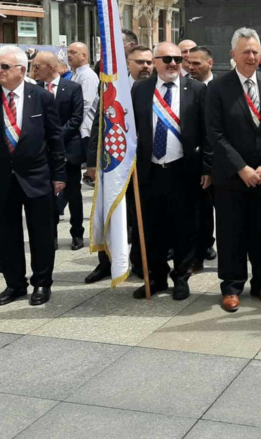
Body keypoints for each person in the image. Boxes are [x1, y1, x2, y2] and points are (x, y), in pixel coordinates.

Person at [0, 46, 66, 307]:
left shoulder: (41, 97)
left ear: (21, 70)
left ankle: (42, 283)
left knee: (42, 234)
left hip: (37, 177)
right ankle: (14, 284)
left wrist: (59, 174)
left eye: (4, 67)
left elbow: (55, 138)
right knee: (6, 234)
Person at [205, 27, 261, 312]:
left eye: (255, 52)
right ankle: (231, 285)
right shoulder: (217, 87)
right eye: (245, 52)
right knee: (231, 233)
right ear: (233, 55)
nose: (251, 57)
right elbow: (215, 134)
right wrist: (242, 168)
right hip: (231, 177)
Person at [130, 42, 211, 299]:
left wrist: (207, 167)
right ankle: (156, 277)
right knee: (152, 228)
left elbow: (208, 132)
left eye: (178, 58)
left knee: (185, 228)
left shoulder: (196, 90)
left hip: (183, 170)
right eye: (167, 59)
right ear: (155, 61)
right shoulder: (139, 90)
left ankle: (181, 276)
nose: (174, 63)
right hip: (149, 171)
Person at [82, 45, 154, 284]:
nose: (145, 66)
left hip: (145, 165)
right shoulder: (112, 89)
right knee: (110, 212)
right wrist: (92, 162)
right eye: (139, 62)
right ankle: (106, 263)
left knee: (140, 216)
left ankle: (139, 263)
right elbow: (98, 127)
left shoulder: (156, 88)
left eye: (148, 62)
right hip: (114, 163)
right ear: (128, 64)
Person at [34, 51, 85, 251]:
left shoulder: (72, 88)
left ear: (52, 68)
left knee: (73, 193)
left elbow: (76, 118)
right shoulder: (34, 89)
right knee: (47, 196)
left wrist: (55, 137)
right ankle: (51, 235)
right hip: (42, 151)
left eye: (38, 66)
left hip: (68, 148)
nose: (34, 70)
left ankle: (77, 234)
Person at [185, 45, 217, 272]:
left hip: (221, 160)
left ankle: (211, 244)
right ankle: (198, 250)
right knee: (197, 208)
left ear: (210, 63)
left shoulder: (221, 87)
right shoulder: (184, 88)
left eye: (197, 63)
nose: (190, 67)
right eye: (189, 62)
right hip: (195, 160)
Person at [68, 41, 98, 166]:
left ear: (83, 56)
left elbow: (85, 103)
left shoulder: (87, 76)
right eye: (68, 52)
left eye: (73, 52)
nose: (69, 55)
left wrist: (72, 123)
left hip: (85, 128)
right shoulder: (76, 75)